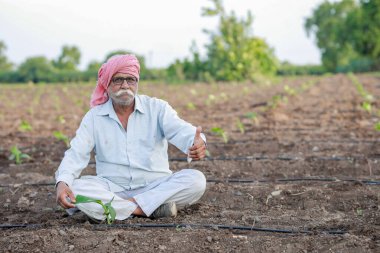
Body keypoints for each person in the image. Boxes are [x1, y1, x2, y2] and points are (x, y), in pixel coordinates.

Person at [55, 54, 207, 221]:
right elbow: (76, 153)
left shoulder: (157, 108)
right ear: (107, 84)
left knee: (196, 180)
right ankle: (147, 209)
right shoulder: (94, 117)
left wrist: (196, 143)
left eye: (131, 80)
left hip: (155, 185)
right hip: (112, 188)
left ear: (137, 83)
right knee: (76, 189)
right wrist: (63, 182)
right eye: (118, 80)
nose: (125, 85)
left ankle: (117, 209)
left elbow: (182, 131)